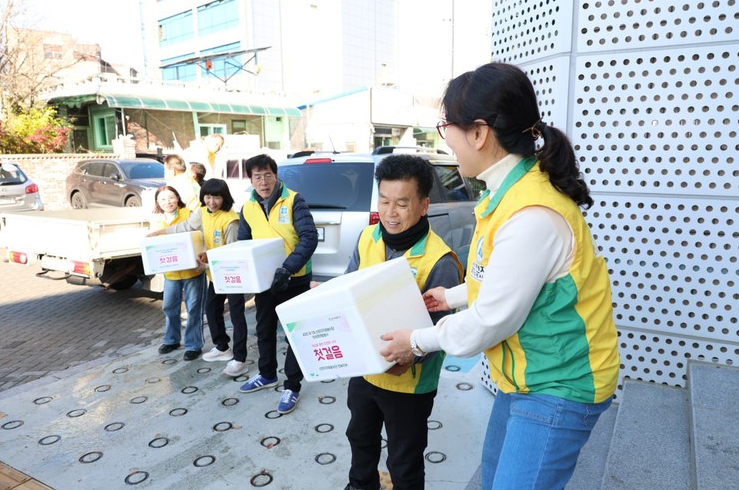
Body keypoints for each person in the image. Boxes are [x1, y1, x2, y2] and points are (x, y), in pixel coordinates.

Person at [379, 62, 621, 489]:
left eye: (446, 128)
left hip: (559, 385)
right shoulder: (508, 192)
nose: (447, 141)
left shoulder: (531, 214)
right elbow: (503, 278)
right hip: (524, 378)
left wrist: (415, 342)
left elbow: (490, 321)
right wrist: (452, 297)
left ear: (478, 133)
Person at [343, 154, 463, 490]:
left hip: (409, 384)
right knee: (359, 438)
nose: (390, 213)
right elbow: (348, 288)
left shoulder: (440, 260)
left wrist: (412, 353)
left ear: (423, 205)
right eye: (384, 201)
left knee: (404, 459)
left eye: (401, 203)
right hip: (365, 371)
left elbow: (440, 333)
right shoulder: (367, 237)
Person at [236, 153, 318, 415]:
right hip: (265, 283)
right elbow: (243, 244)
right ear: (251, 180)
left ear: (276, 175)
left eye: (267, 175)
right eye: (257, 177)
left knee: (294, 333)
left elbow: (309, 238)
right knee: (264, 329)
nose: (263, 182)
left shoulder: (294, 200)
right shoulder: (248, 208)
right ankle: (267, 374)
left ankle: (292, 386)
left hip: (294, 279)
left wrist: (288, 269)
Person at [147, 179, 248, 377]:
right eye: (208, 197)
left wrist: (207, 264)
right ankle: (222, 347)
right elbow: (184, 227)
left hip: (233, 274)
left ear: (224, 198)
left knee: (237, 315)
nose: (211, 202)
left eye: (216, 197)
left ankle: (239, 358)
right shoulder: (203, 213)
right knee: (211, 309)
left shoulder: (231, 220)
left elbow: (232, 255)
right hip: (216, 274)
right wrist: (158, 233)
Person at [150, 185, 207, 361]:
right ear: (157, 202)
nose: (168, 202)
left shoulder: (189, 214)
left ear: (177, 198)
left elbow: (201, 236)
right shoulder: (156, 220)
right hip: (171, 274)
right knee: (169, 307)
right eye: (163, 199)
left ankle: (193, 345)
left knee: (194, 309)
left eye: (171, 197)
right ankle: (172, 340)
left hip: (192, 272)